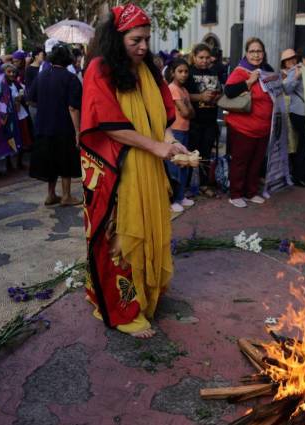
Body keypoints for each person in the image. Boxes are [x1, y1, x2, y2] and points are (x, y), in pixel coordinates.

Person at [80, 3, 189, 338]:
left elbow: (163, 118)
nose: (143, 47)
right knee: (121, 237)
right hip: (119, 168)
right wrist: (157, 147)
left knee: (151, 226)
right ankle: (123, 308)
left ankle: (146, 293)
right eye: (135, 40)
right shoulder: (100, 69)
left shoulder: (149, 70)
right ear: (117, 38)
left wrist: (172, 142)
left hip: (150, 166)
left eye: (146, 39)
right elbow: (108, 125)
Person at [28, 44, 82, 206]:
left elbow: (31, 98)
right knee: (65, 159)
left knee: (49, 160)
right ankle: (66, 196)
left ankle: (51, 194)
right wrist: (78, 131)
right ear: (68, 60)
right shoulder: (70, 78)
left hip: (43, 125)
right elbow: (73, 107)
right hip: (63, 126)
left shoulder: (42, 75)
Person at [224, 37, 274, 207]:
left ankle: (251, 192)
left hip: (263, 128)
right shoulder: (240, 71)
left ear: (264, 53)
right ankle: (236, 194)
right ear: (246, 53)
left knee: (256, 162)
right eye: (252, 51)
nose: (256, 55)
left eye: (259, 51)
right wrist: (249, 82)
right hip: (243, 128)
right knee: (240, 162)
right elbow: (229, 91)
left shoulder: (267, 70)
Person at [186, 43, 221, 197]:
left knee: (206, 154)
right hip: (194, 122)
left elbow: (219, 90)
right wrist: (200, 97)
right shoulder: (188, 72)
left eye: (207, 57)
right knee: (191, 154)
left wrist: (217, 96)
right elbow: (182, 94)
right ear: (194, 57)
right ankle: (187, 186)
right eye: (201, 57)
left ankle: (204, 184)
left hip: (210, 121)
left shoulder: (213, 72)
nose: (204, 61)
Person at [284, 42, 305, 187]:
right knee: (304, 144)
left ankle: (303, 173)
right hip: (298, 112)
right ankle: (298, 176)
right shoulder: (296, 69)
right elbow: (286, 88)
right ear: (302, 58)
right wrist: (296, 77)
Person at [166, 58, 196, 212]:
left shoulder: (184, 90)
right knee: (174, 166)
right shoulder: (172, 88)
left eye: (186, 71)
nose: (184, 74)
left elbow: (191, 113)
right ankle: (172, 200)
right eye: (180, 71)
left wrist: (188, 111)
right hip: (175, 131)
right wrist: (188, 110)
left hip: (185, 130)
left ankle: (180, 196)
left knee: (184, 164)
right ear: (172, 73)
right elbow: (185, 112)